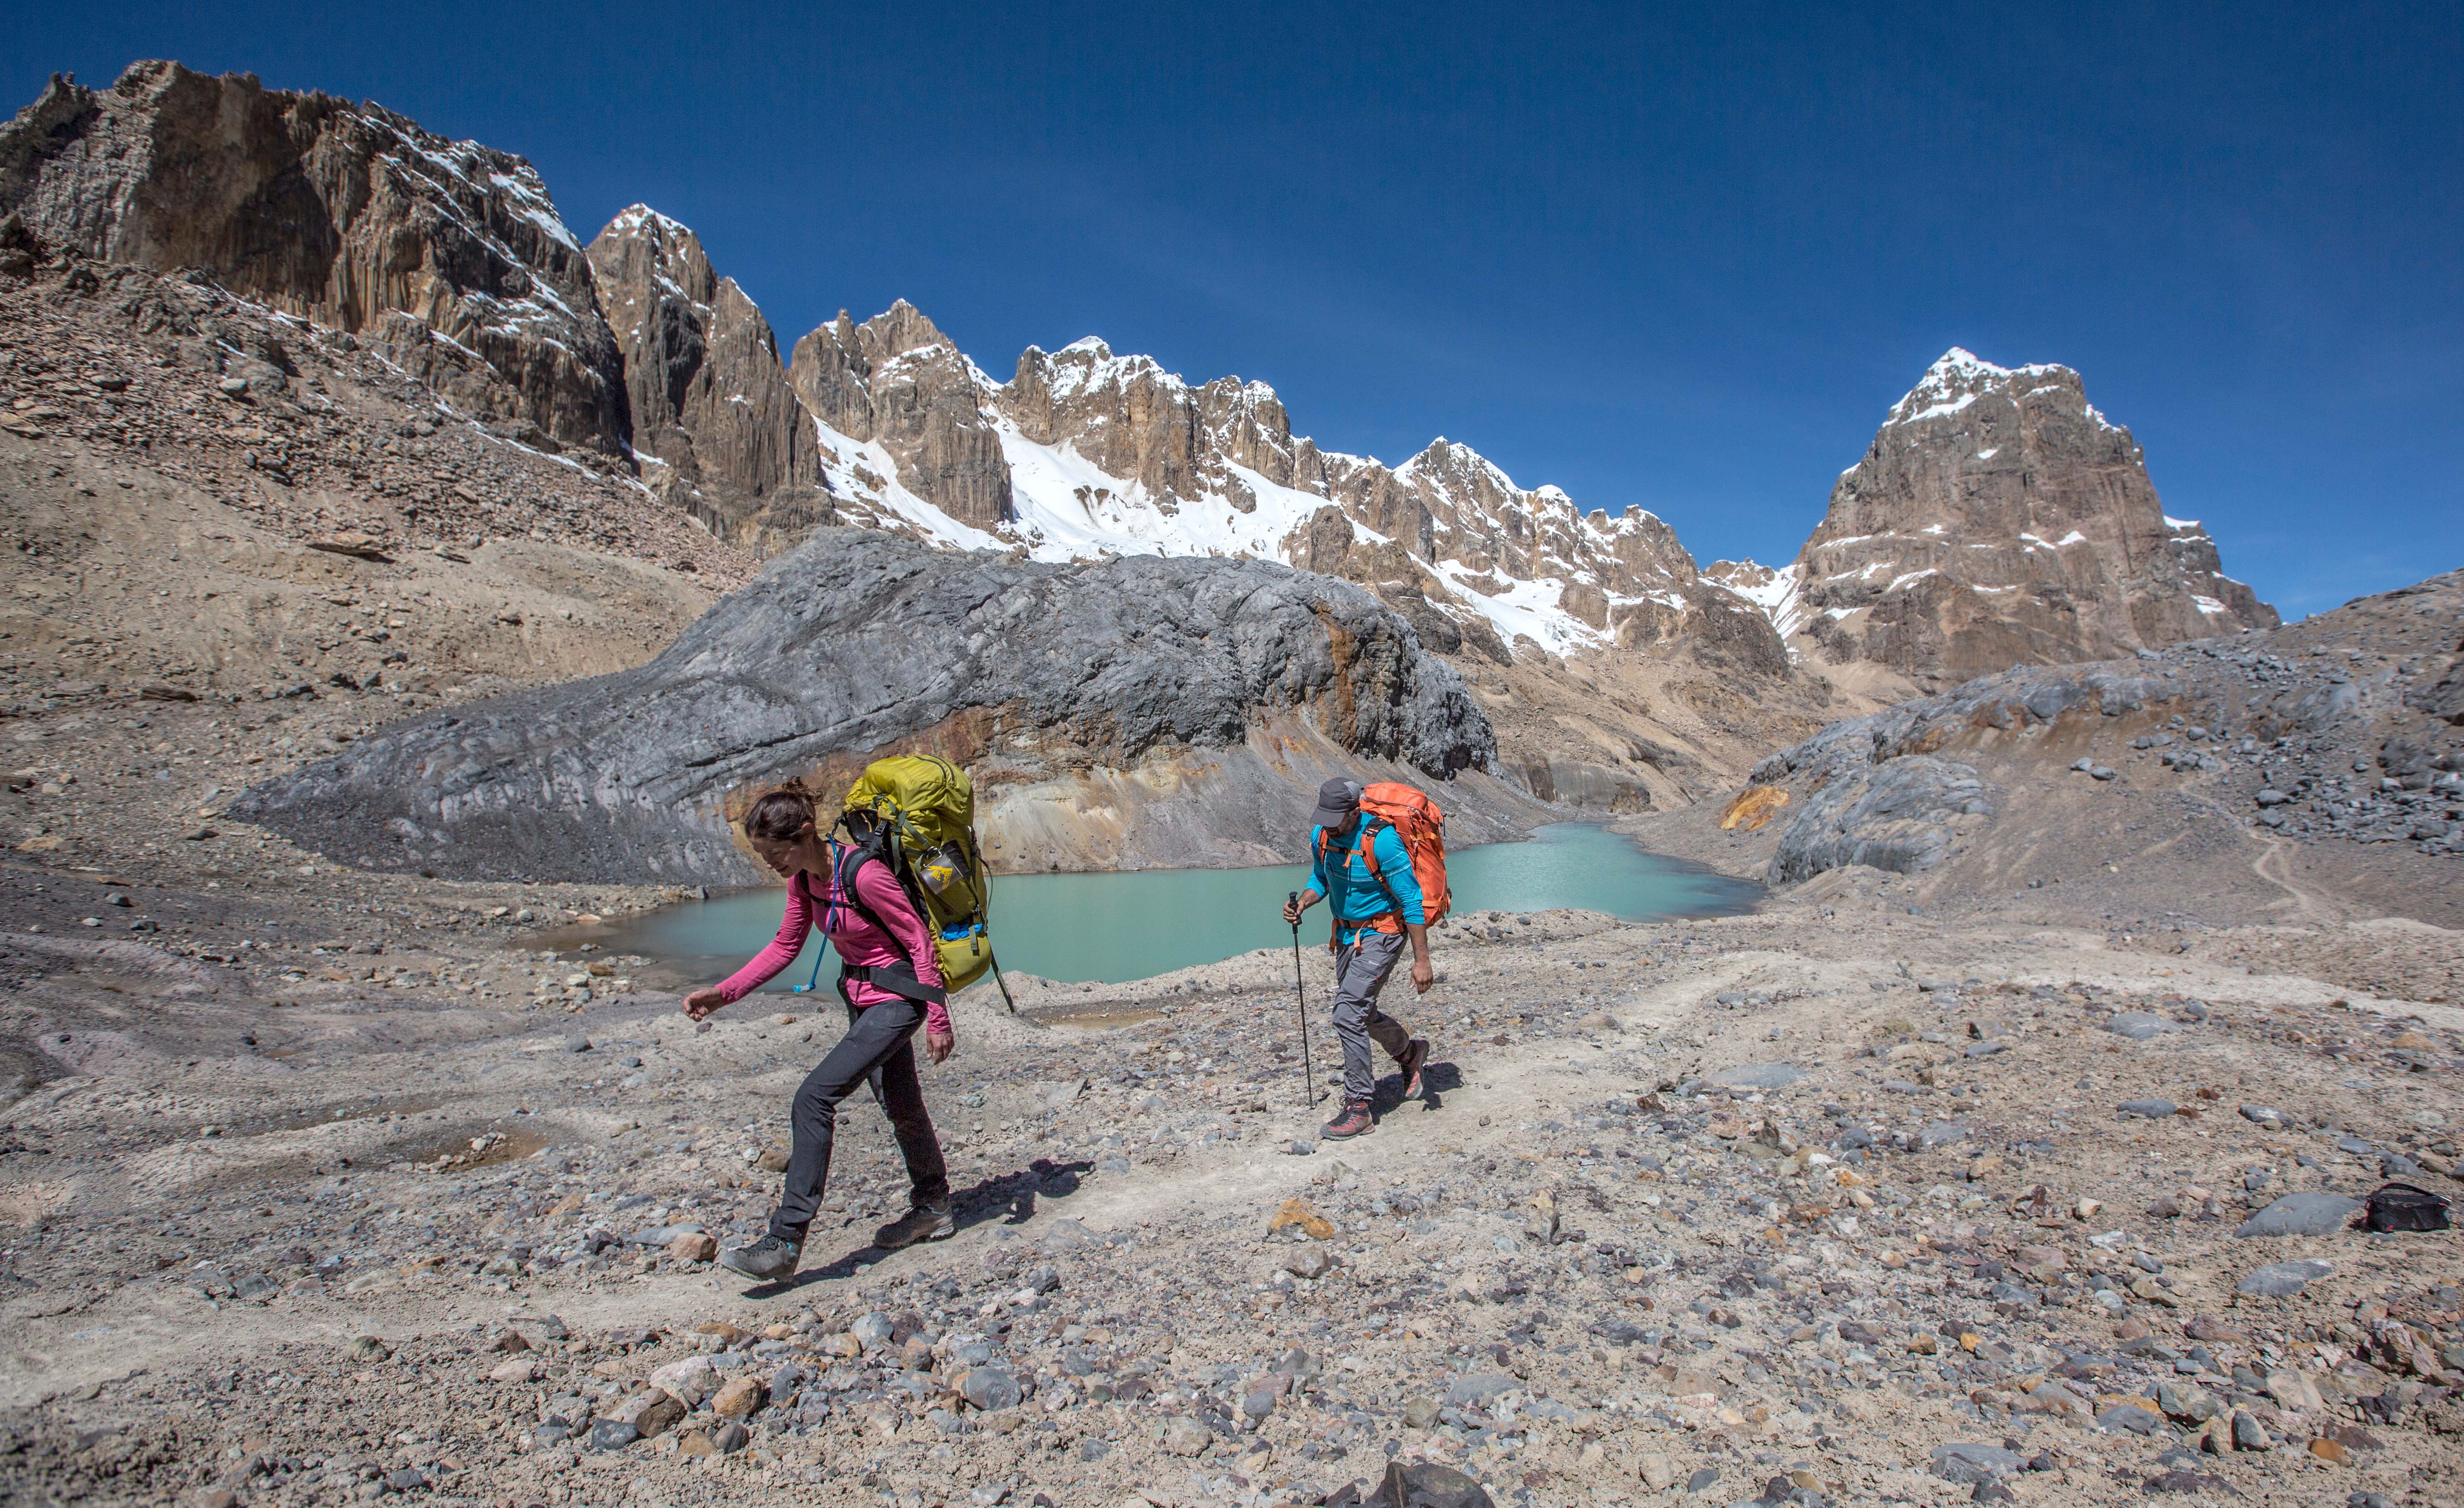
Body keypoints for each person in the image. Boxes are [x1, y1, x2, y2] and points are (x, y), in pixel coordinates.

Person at [684, 781, 956, 1280]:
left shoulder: (865, 875)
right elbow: (784, 947)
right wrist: (723, 994)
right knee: (901, 1105)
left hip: (897, 1001)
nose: (770, 863)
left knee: (813, 1099)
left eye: (775, 853)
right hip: (861, 998)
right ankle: (934, 1206)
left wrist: (937, 1018)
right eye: (763, 856)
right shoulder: (804, 881)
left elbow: (918, 939)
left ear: (806, 833)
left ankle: (785, 1241)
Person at [1280, 776, 1432, 1139]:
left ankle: (1359, 1107)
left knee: (1348, 1013)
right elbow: (1320, 879)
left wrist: (1422, 960)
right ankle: (1410, 1053)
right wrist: (1303, 903)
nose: (1330, 826)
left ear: (1354, 811)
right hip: (1346, 935)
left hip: (1383, 933)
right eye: (1325, 819)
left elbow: (1411, 900)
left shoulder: (1383, 841)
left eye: (1336, 819)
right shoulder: (1322, 836)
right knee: (1361, 1011)